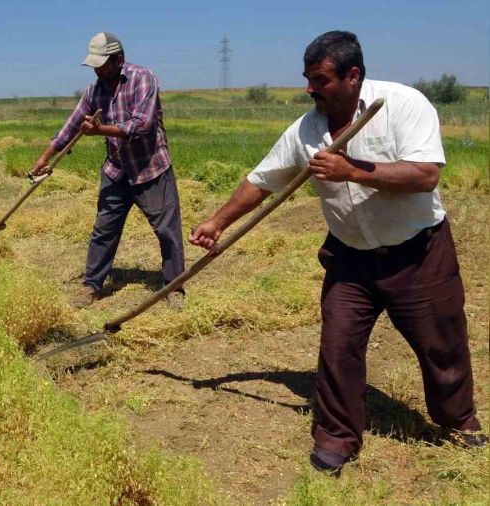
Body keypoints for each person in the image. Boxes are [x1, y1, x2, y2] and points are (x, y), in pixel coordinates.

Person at [189, 31, 485, 474]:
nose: (310, 88)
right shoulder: (306, 130)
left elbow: (425, 175)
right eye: (307, 78)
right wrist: (216, 222)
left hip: (418, 253)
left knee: (442, 346)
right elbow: (261, 180)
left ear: (353, 75)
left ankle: (458, 420)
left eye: (320, 79)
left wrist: (351, 170)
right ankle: (336, 436)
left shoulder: (404, 105)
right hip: (350, 258)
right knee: (338, 347)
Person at [31, 32, 185, 309]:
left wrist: (100, 130)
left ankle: (174, 287)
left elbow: (143, 125)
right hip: (116, 169)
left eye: (102, 64)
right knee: (104, 229)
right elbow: (71, 126)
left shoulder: (143, 79)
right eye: (94, 65)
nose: (97, 70)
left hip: (150, 168)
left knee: (167, 230)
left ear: (119, 59)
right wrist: (45, 157)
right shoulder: (95, 90)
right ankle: (91, 285)